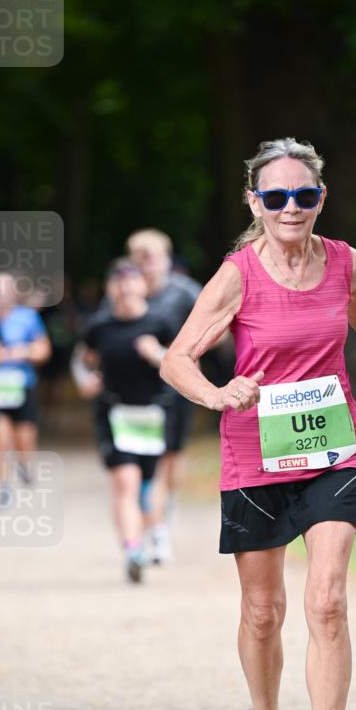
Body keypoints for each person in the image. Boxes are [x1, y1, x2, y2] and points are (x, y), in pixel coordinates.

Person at [161, 137, 356, 710]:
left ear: (320, 198)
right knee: (261, 610)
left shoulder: (345, 263)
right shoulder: (238, 274)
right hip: (255, 453)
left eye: (302, 196)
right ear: (255, 200)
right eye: (274, 197)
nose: (290, 207)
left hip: (333, 447)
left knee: (326, 600)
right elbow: (177, 360)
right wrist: (216, 395)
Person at [73, 259, 174, 583]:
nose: (125, 287)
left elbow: (183, 364)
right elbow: (83, 360)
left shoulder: (160, 323)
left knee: (147, 487)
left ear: (143, 286)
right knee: (124, 482)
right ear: (110, 288)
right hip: (113, 413)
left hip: (152, 413)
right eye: (118, 281)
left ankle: (151, 533)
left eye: (131, 280)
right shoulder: (99, 327)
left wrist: (156, 353)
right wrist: (84, 380)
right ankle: (133, 551)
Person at [126, 229, 200, 563]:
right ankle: (155, 533)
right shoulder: (124, 293)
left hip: (176, 388)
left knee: (170, 457)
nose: (147, 266)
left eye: (152, 258)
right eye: (140, 260)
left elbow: (214, 328)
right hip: (138, 394)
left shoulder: (184, 293)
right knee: (148, 464)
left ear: (166, 260)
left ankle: (165, 507)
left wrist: (169, 355)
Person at [0, 272, 51, 500]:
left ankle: (25, 464)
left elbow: (43, 350)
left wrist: (18, 353)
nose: (1, 294)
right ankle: (4, 483)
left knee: (24, 437)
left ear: (14, 292)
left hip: (21, 386)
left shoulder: (27, 317)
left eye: (6, 289)